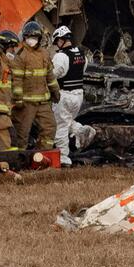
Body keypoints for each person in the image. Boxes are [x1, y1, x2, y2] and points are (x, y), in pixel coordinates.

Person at [11, 21, 59, 150]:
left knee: (50, 127)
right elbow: (17, 80)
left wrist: (55, 90)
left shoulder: (44, 54)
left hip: (43, 102)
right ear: (24, 38)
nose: (31, 40)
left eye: (34, 38)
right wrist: (18, 99)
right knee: (22, 132)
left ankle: (43, 155)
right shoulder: (21, 55)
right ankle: (20, 159)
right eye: (29, 38)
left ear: (39, 38)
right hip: (26, 103)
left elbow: (49, 75)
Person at [50, 25, 86, 167]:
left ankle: (63, 157)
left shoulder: (61, 56)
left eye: (57, 42)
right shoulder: (82, 54)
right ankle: (80, 130)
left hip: (64, 95)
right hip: (78, 96)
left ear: (61, 40)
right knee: (67, 120)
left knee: (60, 126)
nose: (57, 45)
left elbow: (52, 75)